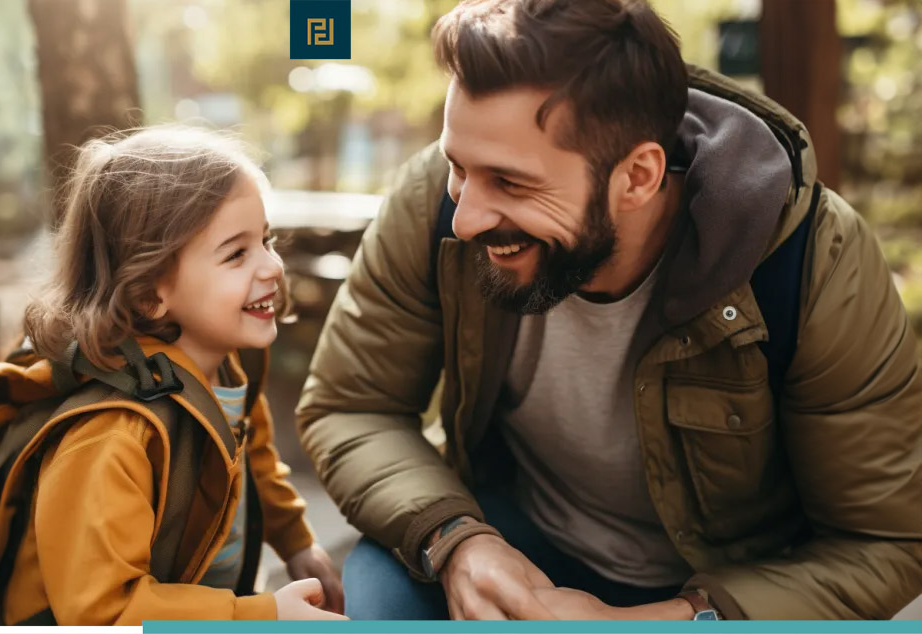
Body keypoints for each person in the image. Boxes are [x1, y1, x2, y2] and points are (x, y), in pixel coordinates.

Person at [297, 0, 922, 621]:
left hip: (731, 589)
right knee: (386, 589)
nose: (465, 220)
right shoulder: (430, 201)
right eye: (459, 167)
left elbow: (886, 541)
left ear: (638, 177)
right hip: (517, 535)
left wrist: (664, 619)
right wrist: (458, 540)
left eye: (512, 183)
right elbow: (352, 404)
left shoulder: (812, 258)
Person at [9, 125, 346, 623]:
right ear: (148, 292)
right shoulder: (110, 439)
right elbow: (101, 613)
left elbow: (254, 463)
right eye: (236, 253)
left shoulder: (229, 368)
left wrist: (296, 541)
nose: (273, 266)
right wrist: (265, 615)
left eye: (266, 240)